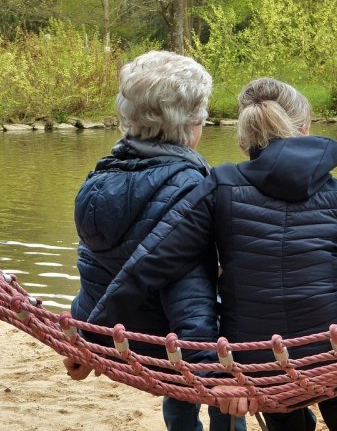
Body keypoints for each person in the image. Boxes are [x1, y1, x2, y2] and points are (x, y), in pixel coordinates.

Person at [88, 77, 337, 431]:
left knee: (278, 398)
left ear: (244, 143)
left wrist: (92, 337)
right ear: (304, 130)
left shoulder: (218, 186)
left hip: (257, 361)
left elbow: (151, 263)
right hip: (330, 351)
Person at [63, 50, 244, 431]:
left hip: (117, 338)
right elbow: (191, 294)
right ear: (191, 125)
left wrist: (84, 336)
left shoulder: (95, 183)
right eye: (203, 117)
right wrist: (212, 378)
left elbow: (95, 271)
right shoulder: (194, 189)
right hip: (174, 348)